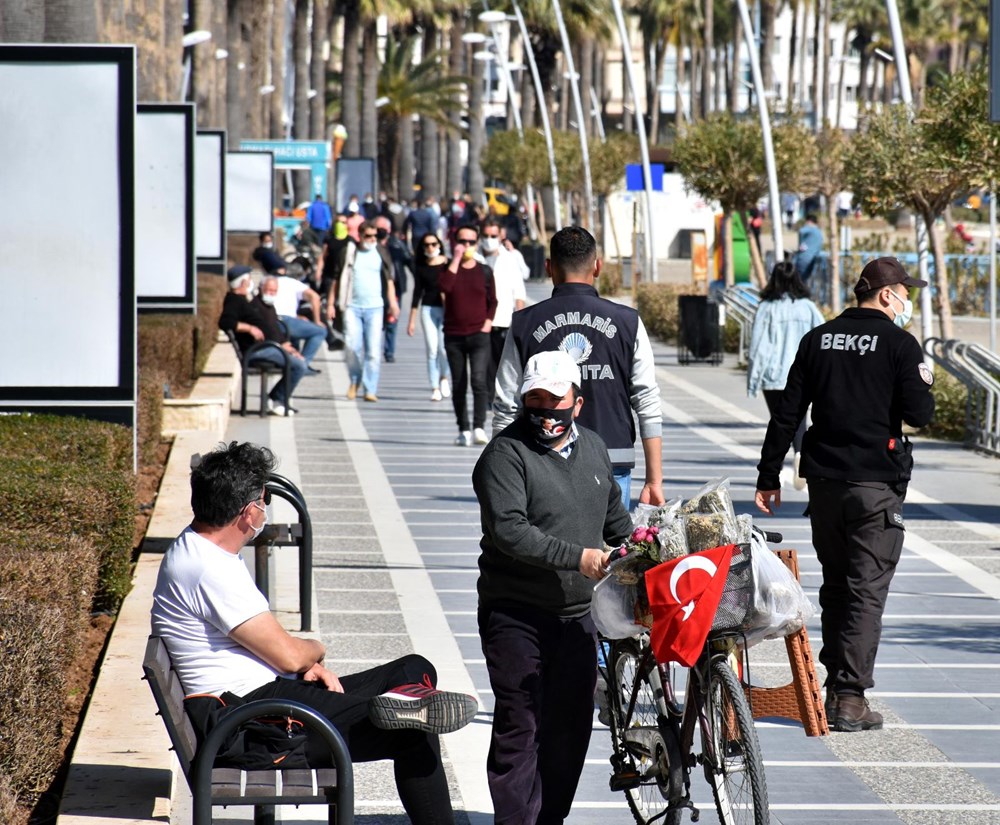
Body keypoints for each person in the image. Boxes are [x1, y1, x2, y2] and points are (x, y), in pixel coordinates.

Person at [150, 441, 477, 825]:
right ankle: (407, 708)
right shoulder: (206, 569)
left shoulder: (202, 551)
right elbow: (289, 654)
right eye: (263, 500)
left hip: (263, 698)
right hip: (251, 722)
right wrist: (314, 651)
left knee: (412, 668)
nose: (264, 509)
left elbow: (271, 646)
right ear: (247, 512)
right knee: (412, 732)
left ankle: (406, 699)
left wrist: (304, 664)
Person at [754, 256, 935, 733]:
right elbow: (922, 413)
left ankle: (836, 687)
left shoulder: (818, 340)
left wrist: (768, 475)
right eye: (904, 291)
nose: (907, 300)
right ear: (886, 294)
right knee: (865, 591)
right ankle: (849, 699)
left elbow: (788, 413)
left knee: (836, 585)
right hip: (874, 486)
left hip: (827, 485)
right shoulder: (899, 343)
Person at [472, 350, 632, 825]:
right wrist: (578, 557)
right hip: (516, 613)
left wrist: (646, 550)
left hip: (580, 615)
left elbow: (617, 522)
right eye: (534, 399)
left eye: (555, 399)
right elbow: (510, 531)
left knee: (570, 728)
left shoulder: (597, 449)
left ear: (577, 403)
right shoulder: (504, 455)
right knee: (520, 725)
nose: (545, 410)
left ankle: (551, 819)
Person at [492, 226, 664, 510]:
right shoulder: (627, 321)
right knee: (608, 552)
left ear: (549, 267)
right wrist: (654, 480)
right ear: (597, 266)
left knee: (547, 550)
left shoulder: (524, 323)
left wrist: (498, 474)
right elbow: (647, 399)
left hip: (539, 460)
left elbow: (506, 402)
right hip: (612, 460)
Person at [747, 261, 825, 490]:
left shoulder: (766, 307)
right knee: (800, 417)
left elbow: (757, 346)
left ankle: (775, 469)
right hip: (802, 372)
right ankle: (800, 452)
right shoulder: (807, 307)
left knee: (780, 422)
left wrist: (753, 379)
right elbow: (822, 335)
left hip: (773, 374)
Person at [326, 220, 399, 402]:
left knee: (373, 351)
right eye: (368, 236)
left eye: (375, 236)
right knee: (351, 347)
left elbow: (389, 279)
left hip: (375, 307)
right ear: (359, 236)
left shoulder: (380, 252)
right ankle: (354, 380)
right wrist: (330, 304)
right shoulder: (349, 252)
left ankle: (370, 388)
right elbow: (337, 278)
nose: (372, 239)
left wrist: (393, 302)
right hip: (352, 306)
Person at [438, 223, 497, 447]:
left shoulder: (484, 270)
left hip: (479, 335)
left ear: (477, 242)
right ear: (455, 242)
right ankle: (463, 428)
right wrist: (455, 259)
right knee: (459, 383)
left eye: (471, 242)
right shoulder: (447, 269)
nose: (467, 246)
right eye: (463, 241)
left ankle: (479, 426)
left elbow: (493, 300)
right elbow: (445, 287)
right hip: (454, 336)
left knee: (479, 380)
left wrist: (488, 323)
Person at [218, 267, 306, 416]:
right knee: (298, 365)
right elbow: (225, 322)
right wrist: (249, 328)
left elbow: (270, 327)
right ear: (244, 282)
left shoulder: (242, 300)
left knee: (298, 362)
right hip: (257, 351)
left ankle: (276, 398)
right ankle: (276, 399)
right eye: (249, 279)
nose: (251, 282)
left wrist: (283, 345)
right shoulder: (234, 300)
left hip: (266, 347)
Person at [479, 218, 527, 406]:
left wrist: (520, 324)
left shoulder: (509, 259)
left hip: (503, 320)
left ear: (500, 236)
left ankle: (501, 400)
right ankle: (485, 401)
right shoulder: (474, 258)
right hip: (479, 322)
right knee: (482, 366)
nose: (489, 239)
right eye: (486, 235)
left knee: (502, 366)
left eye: (493, 235)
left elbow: (519, 292)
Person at [408, 232, 453, 402]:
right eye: (426, 245)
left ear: (439, 245)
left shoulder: (448, 264)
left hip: (446, 311)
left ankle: (444, 377)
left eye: (433, 244)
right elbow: (417, 293)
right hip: (427, 309)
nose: (430, 247)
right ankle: (434, 386)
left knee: (444, 348)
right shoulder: (421, 266)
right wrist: (411, 320)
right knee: (432, 349)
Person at [269, 266, 327, 373]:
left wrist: (299, 318)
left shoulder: (273, 281)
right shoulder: (295, 283)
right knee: (320, 331)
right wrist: (317, 321)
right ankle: (302, 365)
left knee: (300, 324)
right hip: (284, 321)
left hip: (270, 320)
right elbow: (315, 297)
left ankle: (292, 361)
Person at [375, 215, 413, 364]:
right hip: (377, 288)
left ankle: (389, 352)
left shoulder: (397, 244)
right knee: (378, 321)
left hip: (395, 288)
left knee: (392, 319)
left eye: (383, 229)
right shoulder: (371, 246)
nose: (381, 232)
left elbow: (408, 260)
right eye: (378, 229)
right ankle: (373, 350)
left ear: (389, 230)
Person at [794, 213, 824, 282]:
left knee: (798, 281)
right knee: (804, 280)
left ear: (809, 221)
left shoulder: (810, 228)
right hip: (813, 259)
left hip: (803, 259)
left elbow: (801, 231)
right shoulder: (819, 232)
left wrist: (801, 244)